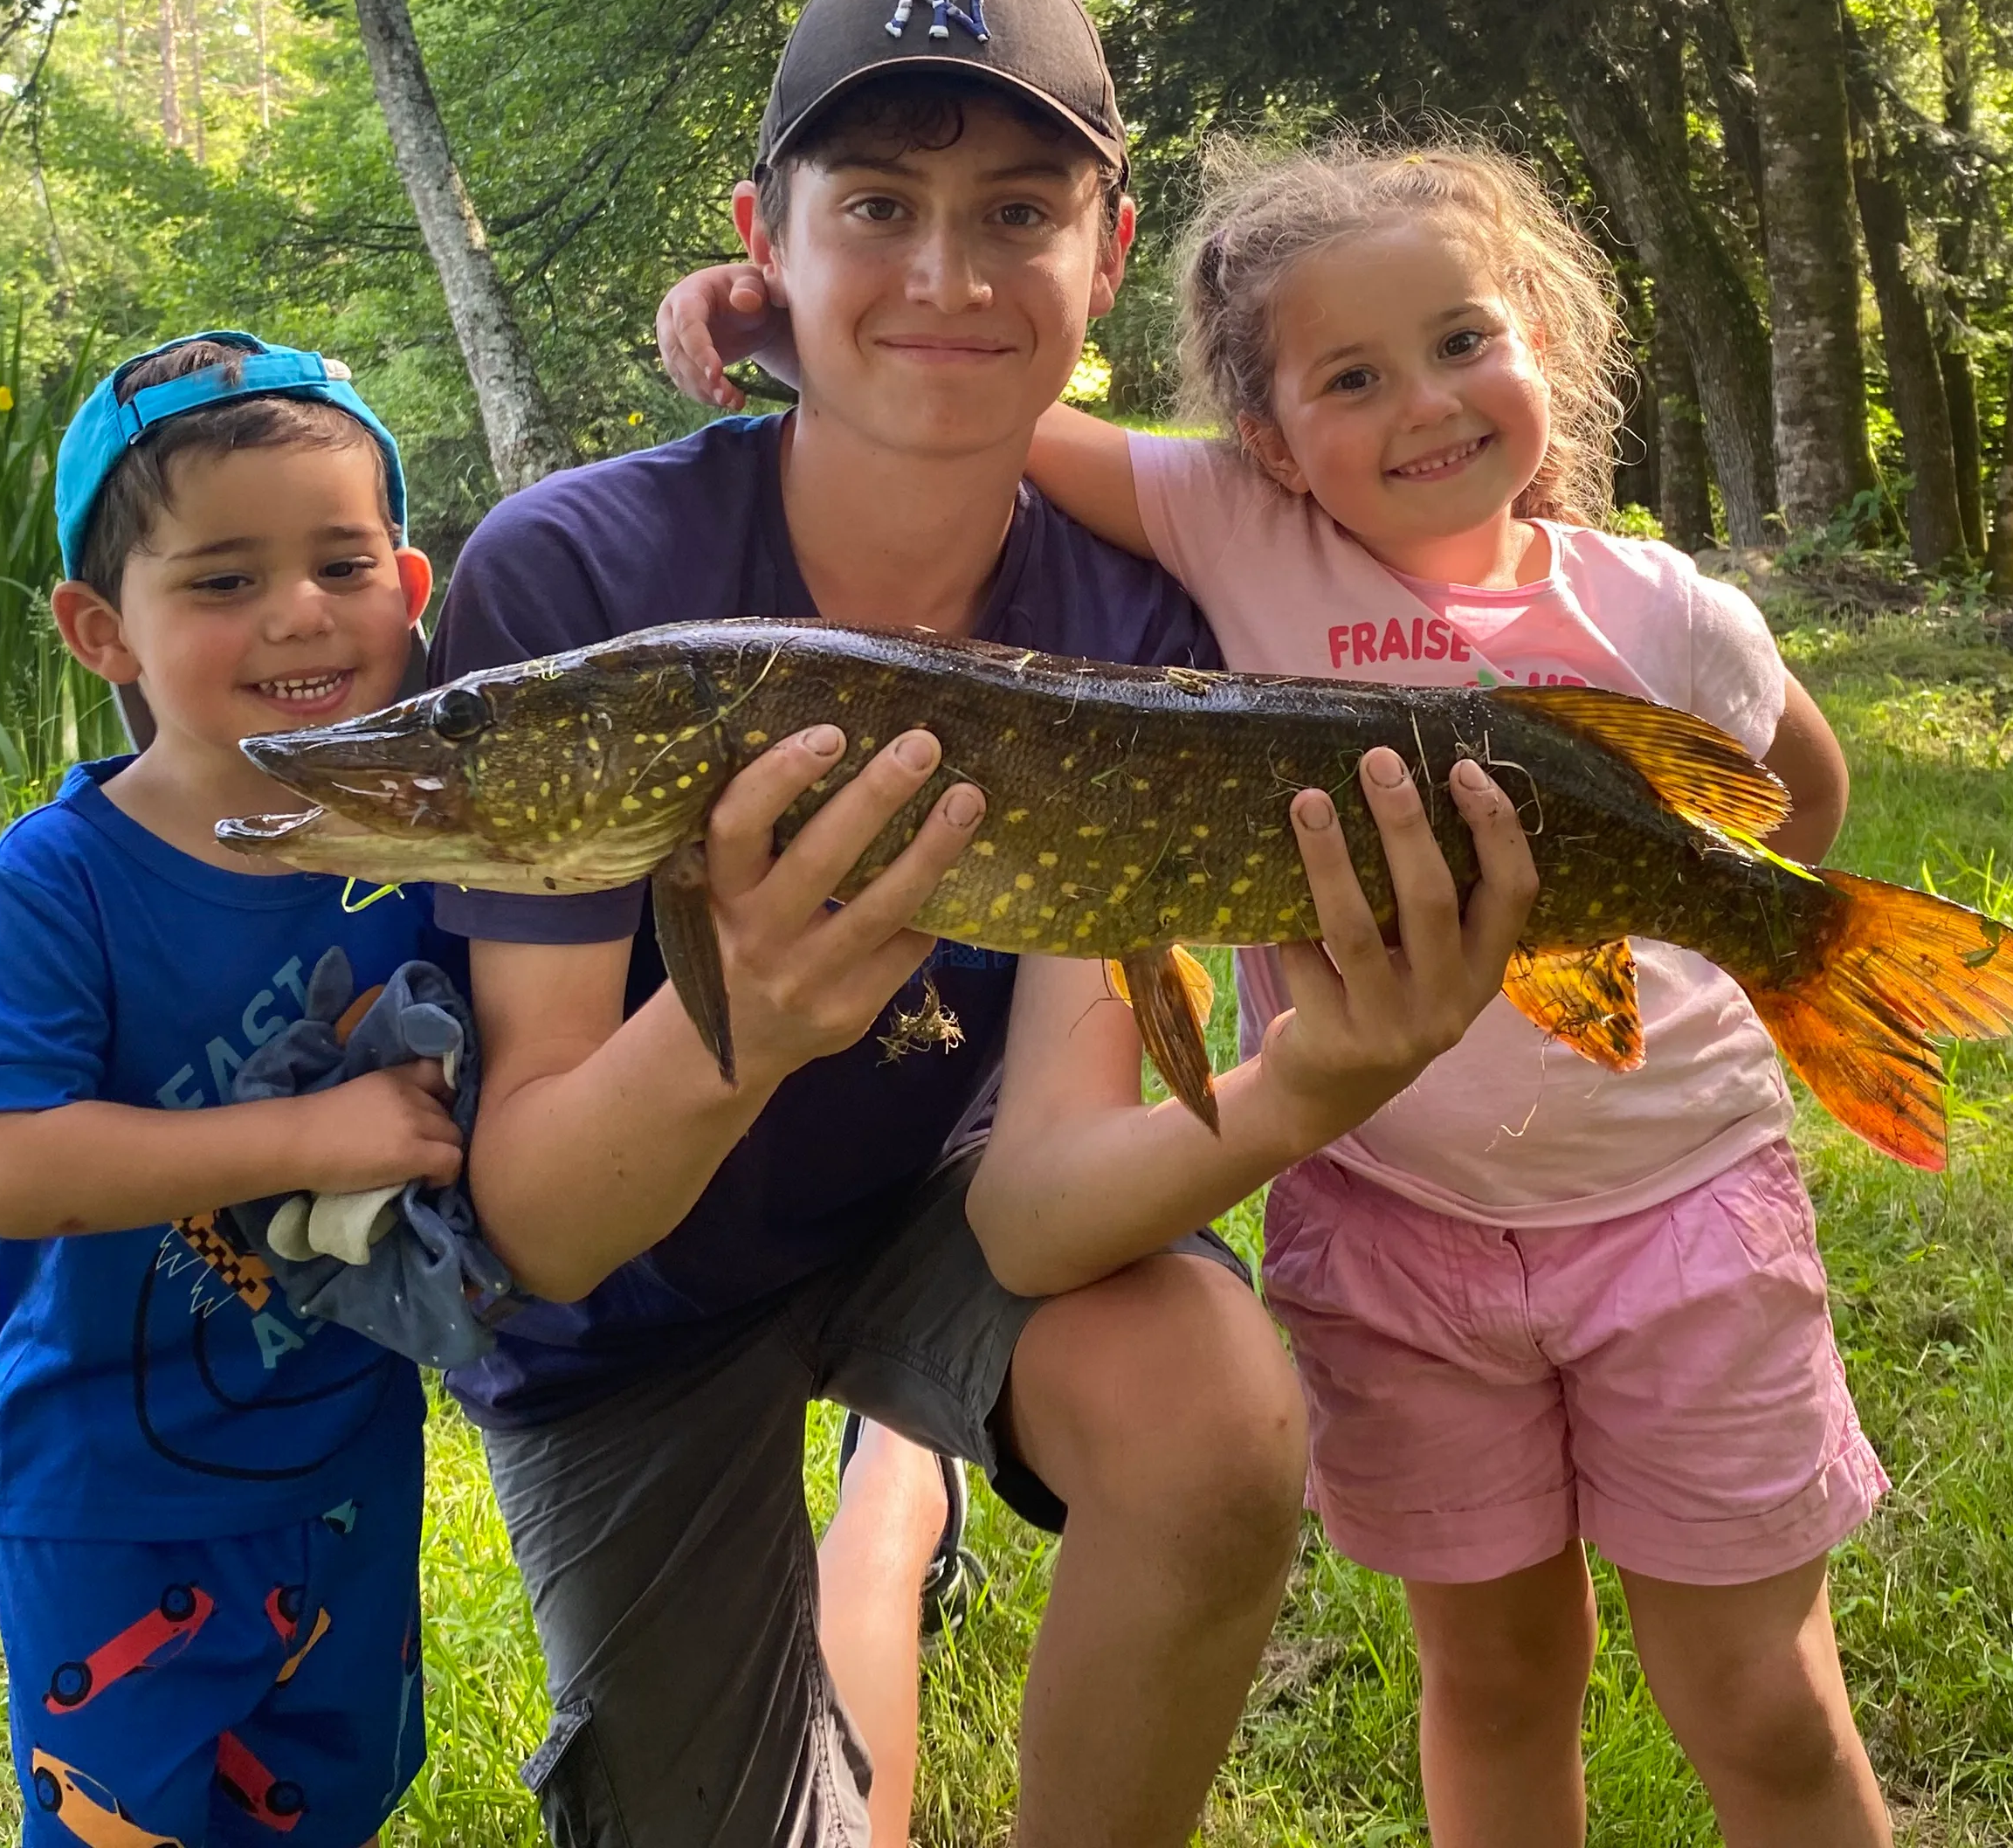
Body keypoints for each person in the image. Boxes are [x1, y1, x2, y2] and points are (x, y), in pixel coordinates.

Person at [433, 0, 1546, 1848]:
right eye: (877, 207)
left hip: (940, 1214)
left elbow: (1037, 1209)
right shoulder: (570, 586)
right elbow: (538, 1228)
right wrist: (748, 1030)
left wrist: (1304, 1091)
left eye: (1016, 213)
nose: (947, 276)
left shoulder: (1147, 613)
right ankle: (899, 1489)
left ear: (1105, 260)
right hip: (630, 1290)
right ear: (762, 241)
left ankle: (902, 1455)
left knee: (1210, 1417)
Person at [663, 140, 1898, 1847]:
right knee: (1494, 1678)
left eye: (1466, 340)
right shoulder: (1233, 530)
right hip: (1392, 1233)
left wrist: (1702, 924)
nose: (1426, 402)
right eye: (1353, 377)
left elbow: (1795, 805)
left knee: (1759, 1699)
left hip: (1678, 1210)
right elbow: (997, 409)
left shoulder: (1665, 610)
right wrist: (789, 322)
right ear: (1268, 440)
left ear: (1541, 338)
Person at [0, 333, 463, 1848]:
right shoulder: (54, 887)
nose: (299, 612)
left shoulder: (420, 847)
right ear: (104, 630)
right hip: (107, 1495)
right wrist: (312, 1133)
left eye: (344, 566)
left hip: (346, 1455)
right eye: (223, 580)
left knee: (328, 1802)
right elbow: (9, 1167)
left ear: (411, 595)